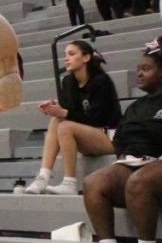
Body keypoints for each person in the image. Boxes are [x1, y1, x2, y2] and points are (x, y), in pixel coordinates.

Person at [81, 34, 162, 243]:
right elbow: (120, 140)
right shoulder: (135, 107)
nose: (139, 73)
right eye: (138, 69)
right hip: (135, 163)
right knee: (93, 183)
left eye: (146, 69)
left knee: (139, 182)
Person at [24, 41, 121, 195]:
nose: (66, 59)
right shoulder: (68, 82)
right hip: (89, 134)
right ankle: (43, 177)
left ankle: (69, 182)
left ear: (86, 57)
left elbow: (98, 119)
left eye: (71, 54)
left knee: (65, 125)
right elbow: (69, 111)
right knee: (56, 121)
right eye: (65, 55)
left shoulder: (102, 82)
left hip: (112, 135)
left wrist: (64, 113)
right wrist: (54, 106)